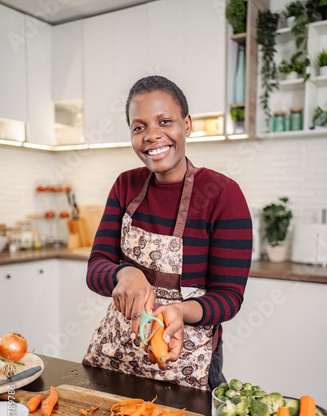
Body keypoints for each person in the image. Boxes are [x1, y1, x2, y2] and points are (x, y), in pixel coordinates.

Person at [83, 75, 253, 391]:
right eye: (139, 127)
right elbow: (96, 269)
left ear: (186, 124)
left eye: (165, 121)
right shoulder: (125, 185)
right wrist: (125, 274)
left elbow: (229, 297)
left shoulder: (223, 194)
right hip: (118, 354)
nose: (152, 135)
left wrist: (178, 310)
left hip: (187, 358)